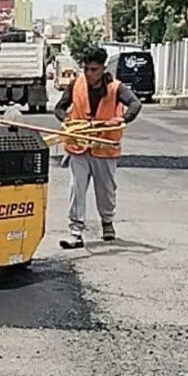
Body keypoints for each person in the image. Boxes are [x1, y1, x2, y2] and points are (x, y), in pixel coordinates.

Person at [54, 47, 142, 249]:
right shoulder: (76, 84)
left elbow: (135, 105)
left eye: (94, 69)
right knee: (76, 189)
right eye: (86, 69)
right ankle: (75, 232)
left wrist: (121, 119)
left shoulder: (116, 88)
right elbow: (59, 107)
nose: (89, 74)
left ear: (103, 68)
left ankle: (107, 223)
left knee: (106, 190)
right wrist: (67, 120)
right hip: (79, 146)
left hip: (104, 148)